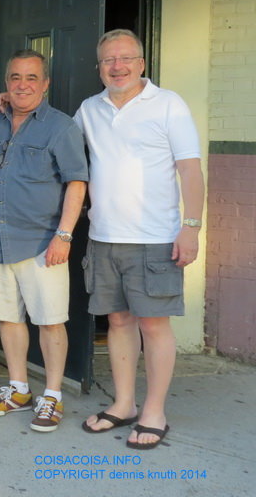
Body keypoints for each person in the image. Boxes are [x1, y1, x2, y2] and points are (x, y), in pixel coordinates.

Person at [77, 29, 204, 449]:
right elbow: (60, 142)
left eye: (125, 58)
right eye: (108, 60)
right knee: (117, 321)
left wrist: (191, 226)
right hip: (104, 236)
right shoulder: (89, 109)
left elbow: (190, 170)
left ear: (142, 63)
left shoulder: (168, 104)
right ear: (99, 68)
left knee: (154, 324)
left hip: (155, 238)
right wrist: (14, 106)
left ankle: (154, 411)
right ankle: (125, 404)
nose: (117, 66)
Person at [0, 49, 87, 432]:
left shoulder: (61, 127)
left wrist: (64, 235)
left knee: (50, 320)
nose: (23, 85)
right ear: (6, 83)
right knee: (8, 318)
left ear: (46, 84)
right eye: (15, 78)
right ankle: (19, 389)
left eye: (31, 78)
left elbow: (77, 181)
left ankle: (52, 395)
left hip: (44, 242)